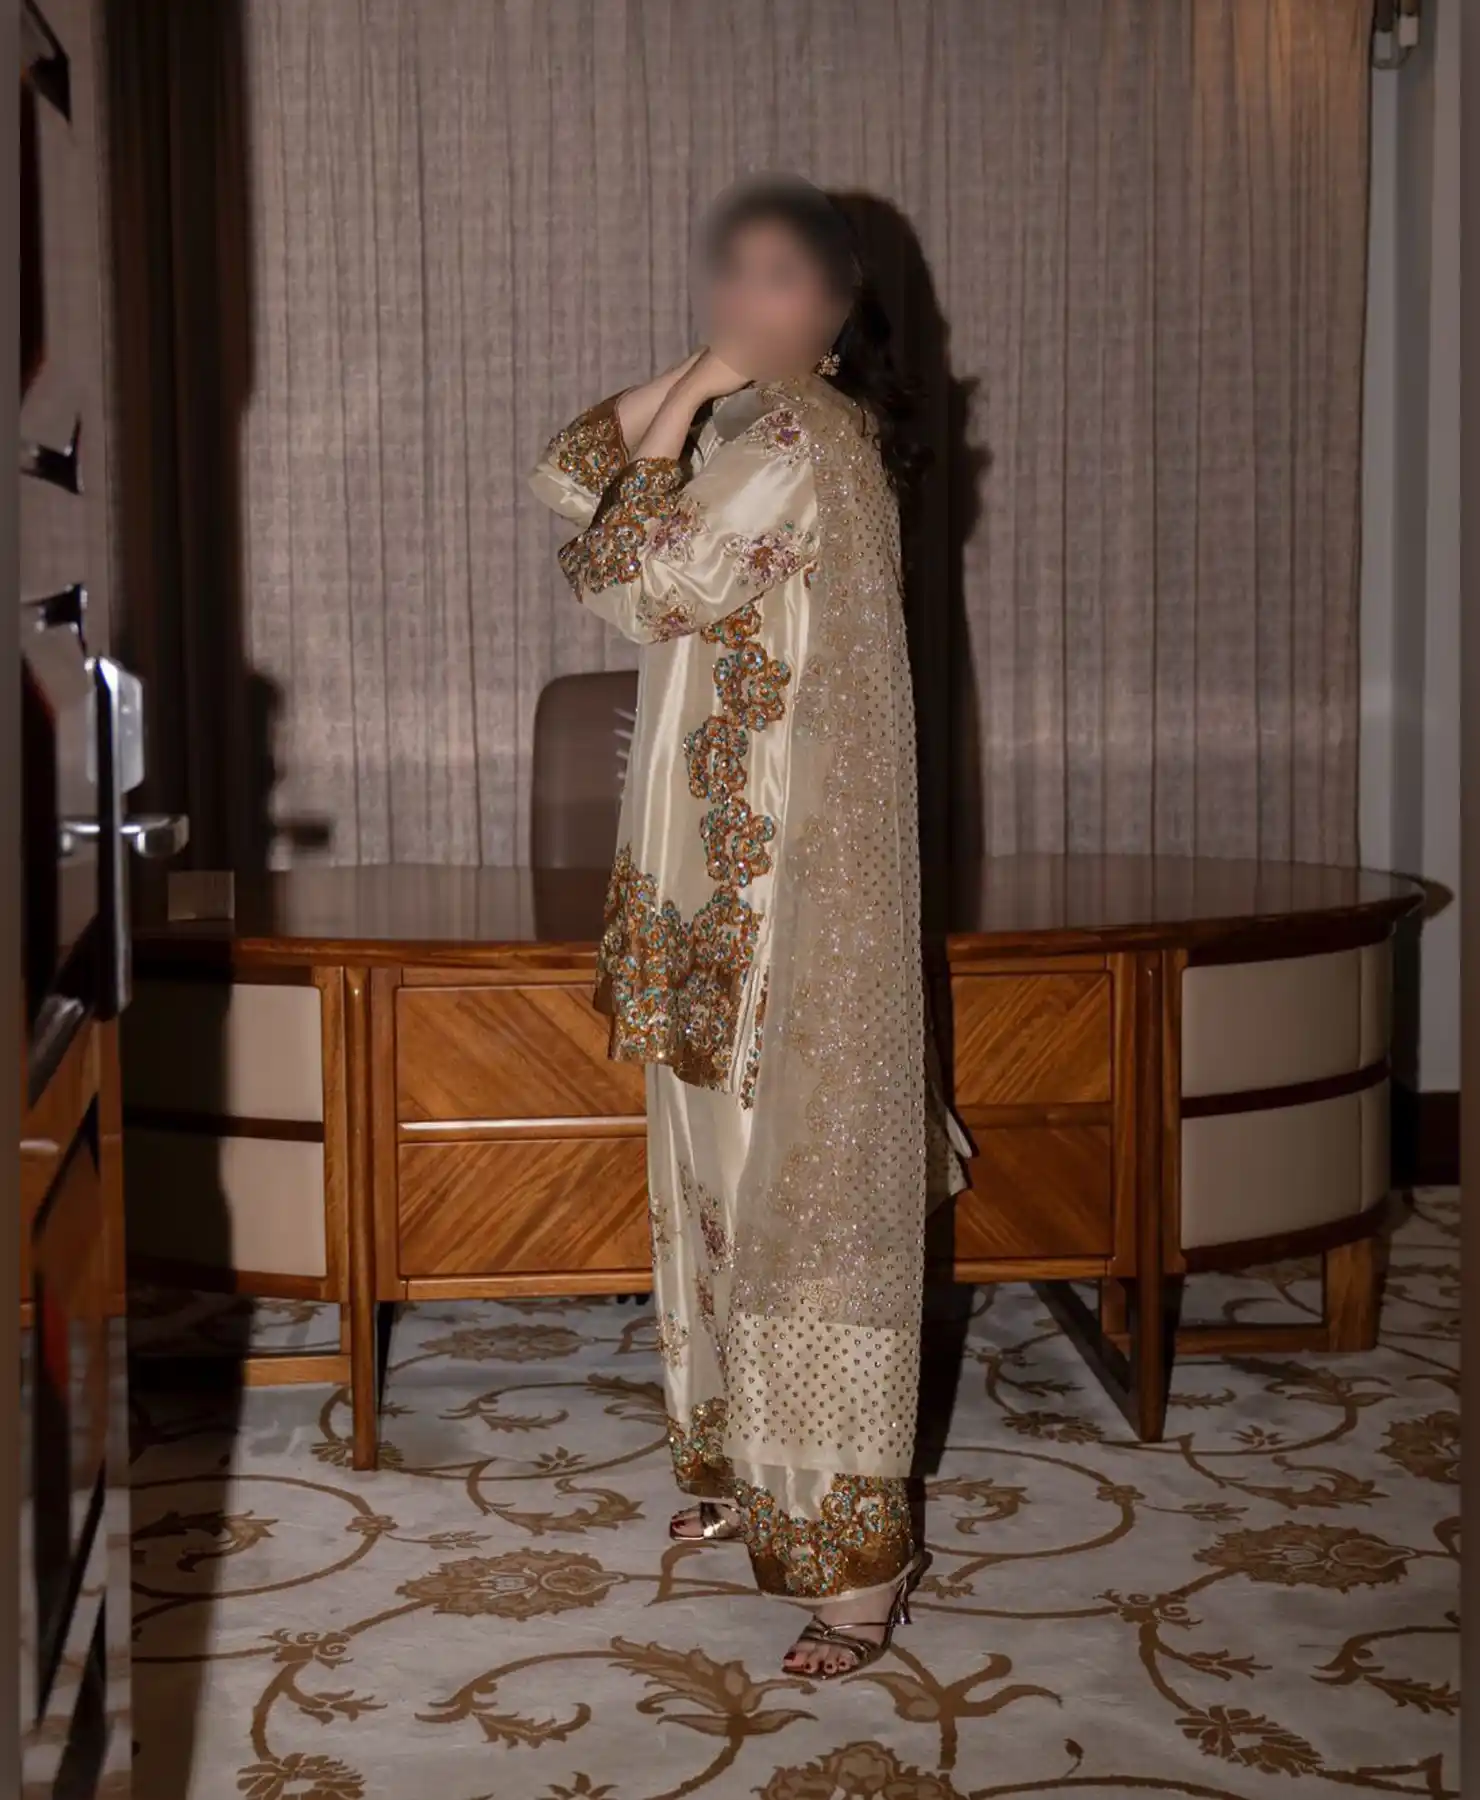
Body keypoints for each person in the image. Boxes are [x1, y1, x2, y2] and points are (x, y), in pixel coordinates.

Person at [529, 176, 965, 1680]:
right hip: (711, 881)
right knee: (714, 1175)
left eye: (780, 278)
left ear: (839, 311)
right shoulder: (746, 418)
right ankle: (742, 1468)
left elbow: (626, 578)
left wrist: (721, 382)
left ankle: (854, 1567)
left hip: (781, 900)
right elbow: (565, 470)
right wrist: (702, 370)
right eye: (730, 271)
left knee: (799, 1202)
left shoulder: (794, 440)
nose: (740, 295)